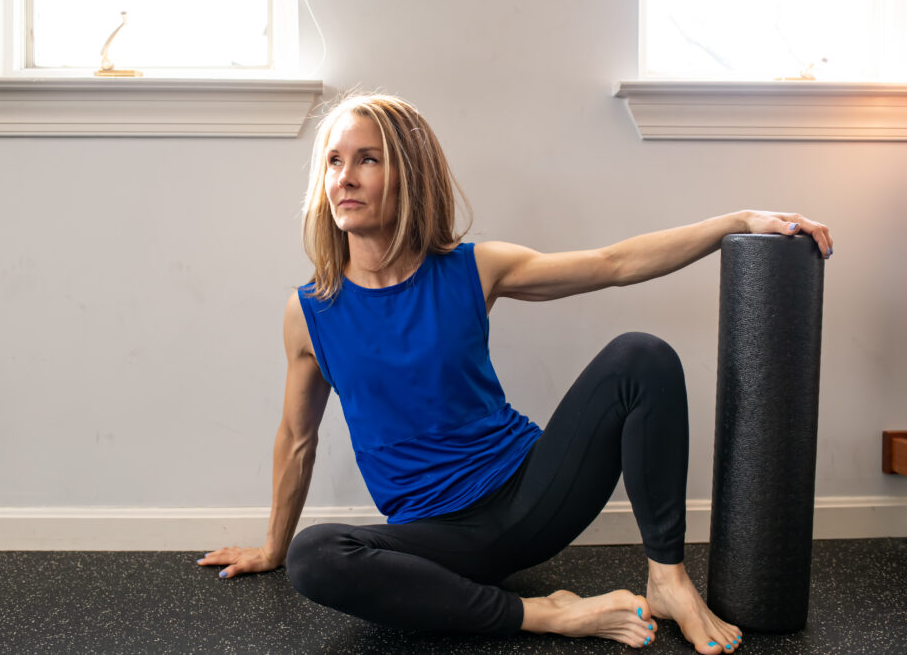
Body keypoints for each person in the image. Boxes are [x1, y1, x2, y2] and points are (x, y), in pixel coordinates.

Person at [198, 93, 833, 652]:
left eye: (368, 159)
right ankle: (546, 615)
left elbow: (611, 263)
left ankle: (667, 577)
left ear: (408, 175)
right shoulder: (310, 312)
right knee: (316, 557)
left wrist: (736, 222)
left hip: (533, 497)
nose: (345, 177)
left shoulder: (472, 269)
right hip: (437, 540)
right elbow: (296, 437)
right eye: (334, 161)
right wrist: (275, 547)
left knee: (641, 356)